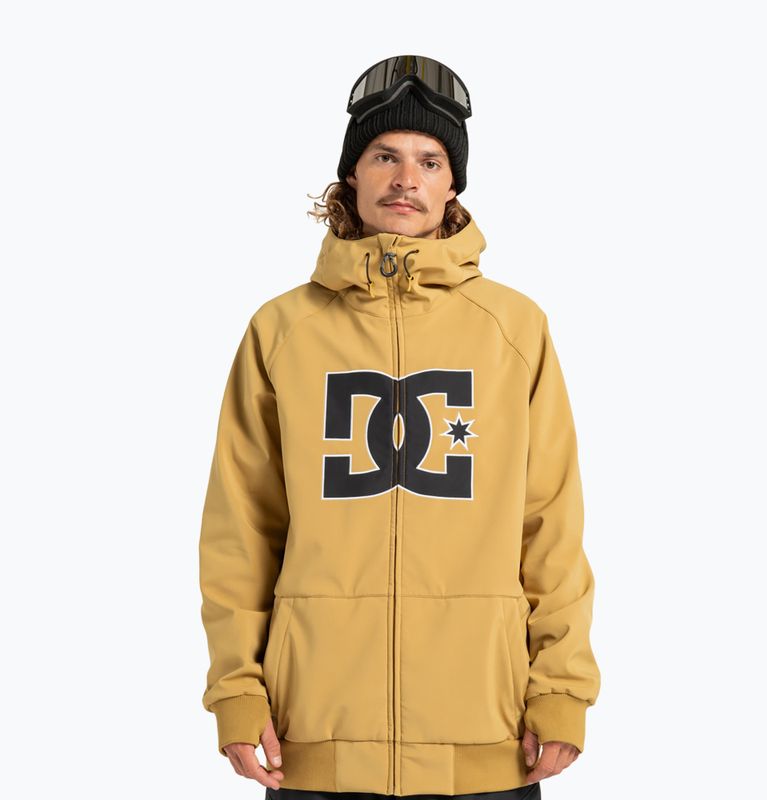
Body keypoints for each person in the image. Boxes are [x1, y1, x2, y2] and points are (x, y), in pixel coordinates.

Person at [198, 55, 601, 800]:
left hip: (487, 736)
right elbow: (241, 531)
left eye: (429, 160)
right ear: (352, 174)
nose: (406, 178)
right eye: (385, 155)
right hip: (311, 738)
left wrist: (561, 690)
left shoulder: (514, 329)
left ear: (452, 187)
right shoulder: (281, 330)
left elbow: (551, 525)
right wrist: (236, 691)